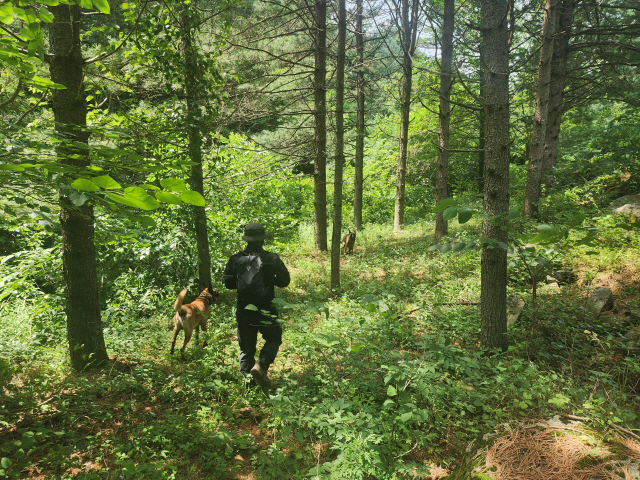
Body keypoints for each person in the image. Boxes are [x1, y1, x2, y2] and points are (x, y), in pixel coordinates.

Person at [224, 222, 290, 389]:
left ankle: (248, 388)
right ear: (262, 239)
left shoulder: (235, 259)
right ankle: (261, 365)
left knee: (246, 349)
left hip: (244, 310)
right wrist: (269, 278)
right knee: (274, 338)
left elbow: (229, 284)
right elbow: (285, 281)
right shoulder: (272, 258)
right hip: (267, 309)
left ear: (246, 239)